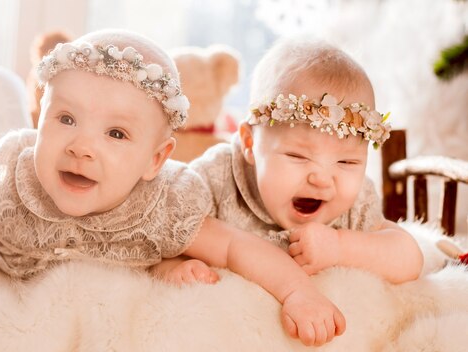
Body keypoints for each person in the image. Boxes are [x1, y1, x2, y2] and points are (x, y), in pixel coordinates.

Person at [0, 29, 344, 347]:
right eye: (66, 119)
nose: (81, 147)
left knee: (175, 259)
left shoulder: (160, 206)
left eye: (116, 134)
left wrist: (298, 292)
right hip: (11, 242)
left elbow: (238, 247)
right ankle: (4, 116)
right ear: (45, 120)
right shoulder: (18, 181)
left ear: (155, 160)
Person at [156, 37, 423, 291]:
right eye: (298, 156)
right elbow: (162, 235)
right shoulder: (216, 176)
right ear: (249, 144)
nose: (321, 179)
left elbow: (409, 258)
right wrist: (173, 267)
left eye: (347, 161)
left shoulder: (355, 201)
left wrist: (341, 247)